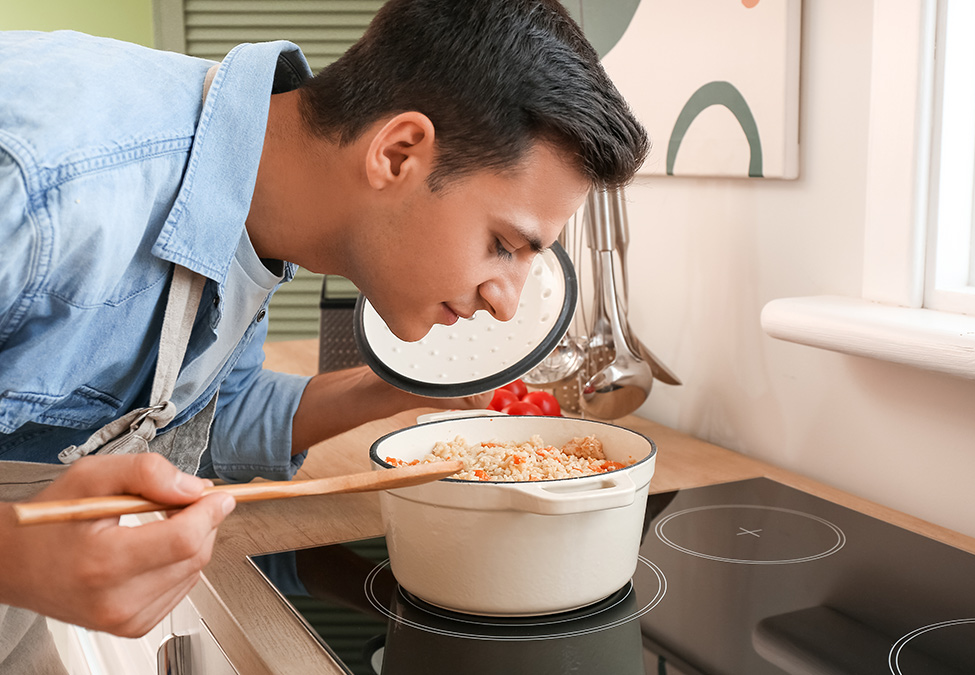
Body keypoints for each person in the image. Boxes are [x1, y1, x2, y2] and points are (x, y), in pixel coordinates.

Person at [0, 0, 648, 645]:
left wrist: (394, 386)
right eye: (505, 244)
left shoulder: (257, 191)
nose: (509, 302)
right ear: (398, 154)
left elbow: (200, 414)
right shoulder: (45, 189)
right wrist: (19, 560)